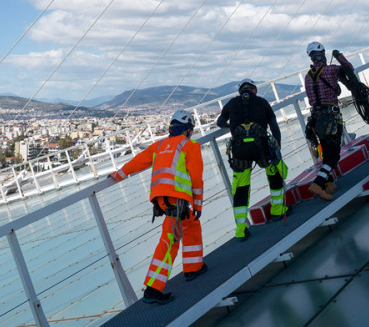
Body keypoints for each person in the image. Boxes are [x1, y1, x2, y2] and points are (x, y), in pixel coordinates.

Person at [109, 110, 206, 305]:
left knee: (191, 225)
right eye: (191, 131)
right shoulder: (190, 146)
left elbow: (137, 162)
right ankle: (153, 289)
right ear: (187, 130)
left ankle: (193, 267)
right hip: (177, 199)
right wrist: (198, 204)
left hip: (162, 199)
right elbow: (196, 178)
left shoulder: (160, 145)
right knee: (169, 240)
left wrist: (118, 175)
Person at [217, 78, 288, 241]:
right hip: (262, 148)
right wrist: (278, 144)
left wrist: (234, 128)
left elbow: (220, 123)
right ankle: (277, 211)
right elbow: (274, 126)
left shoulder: (231, 103)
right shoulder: (262, 102)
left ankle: (241, 229)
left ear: (240, 91)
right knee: (274, 175)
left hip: (240, 150)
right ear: (253, 90)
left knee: (241, 188)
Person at [303, 42, 352, 201]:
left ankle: (328, 184)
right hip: (331, 118)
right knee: (333, 156)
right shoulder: (331, 70)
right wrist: (339, 56)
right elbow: (349, 69)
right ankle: (318, 183)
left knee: (326, 152)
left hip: (317, 119)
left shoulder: (308, 77)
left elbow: (312, 100)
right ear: (322, 54)